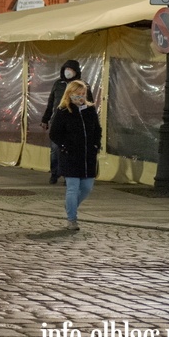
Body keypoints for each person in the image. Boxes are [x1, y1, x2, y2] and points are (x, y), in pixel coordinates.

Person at [49, 80, 101, 231]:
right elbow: (54, 133)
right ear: (70, 94)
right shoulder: (63, 111)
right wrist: (65, 145)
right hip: (70, 156)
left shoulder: (90, 110)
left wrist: (96, 144)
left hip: (88, 156)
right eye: (78, 94)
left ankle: (70, 205)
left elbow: (97, 129)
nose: (81, 97)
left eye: (83, 94)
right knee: (73, 187)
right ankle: (72, 219)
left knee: (87, 187)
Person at [40, 60, 93, 185]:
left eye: (71, 69)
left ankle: (68, 175)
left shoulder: (82, 86)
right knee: (55, 150)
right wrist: (45, 119)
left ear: (76, 71)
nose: (68, 72)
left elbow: (88, 105)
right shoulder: (58, 84)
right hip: (57, 122)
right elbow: (51, 102)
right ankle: (54, 173)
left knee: (71, 151)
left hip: (73, 125)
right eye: (66, 69)